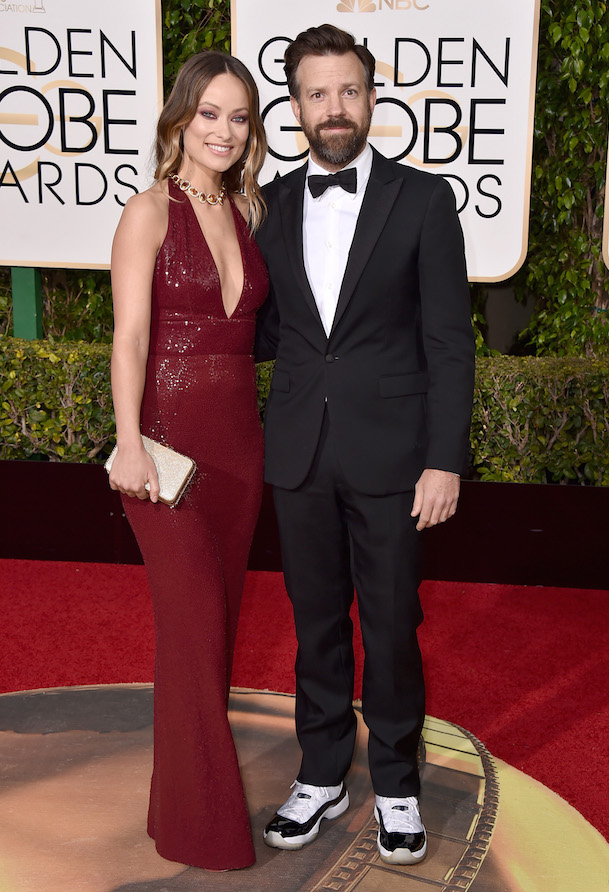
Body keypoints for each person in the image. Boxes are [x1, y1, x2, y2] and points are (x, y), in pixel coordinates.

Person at [255, 24, 475, 866]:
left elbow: (449, 341)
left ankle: (395, 783)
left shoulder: (423, 199)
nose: (334, 107)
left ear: (372, 98)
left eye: (348, 90)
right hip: (299, 451)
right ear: (296, 106)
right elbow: (266, 330)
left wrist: (445, 458)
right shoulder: (269, 205)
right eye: (317, 93)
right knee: (315, 625)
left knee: (389, 627)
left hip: (395, 457)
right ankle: (321, 775)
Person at [108, 50, 268, 871]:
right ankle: (208, 830)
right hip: (165, 452)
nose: (224, 131)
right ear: (180, 118)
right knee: (197, 630)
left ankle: (172, 809)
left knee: (207, 640)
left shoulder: (246, 210)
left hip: (240, 451)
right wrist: (129, 441)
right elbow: (131, 337)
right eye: (210, 113)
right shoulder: (148, 211)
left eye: (239, 117)